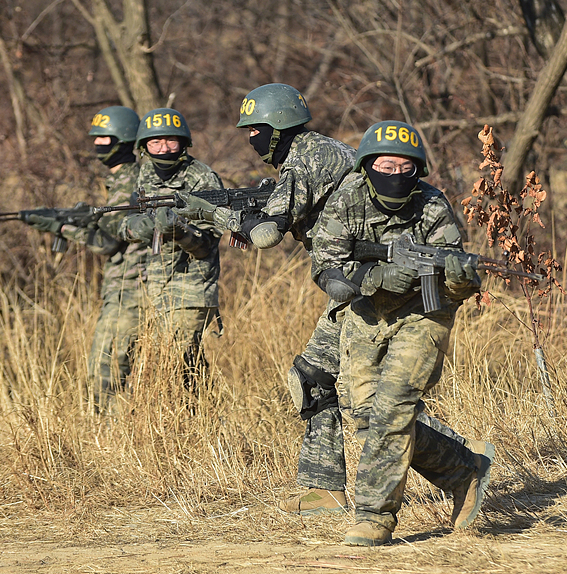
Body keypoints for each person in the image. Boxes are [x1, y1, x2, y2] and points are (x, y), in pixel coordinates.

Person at [174, 85, 490, 522]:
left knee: (370, 407)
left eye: (255, 130)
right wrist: (244, 209)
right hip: (352, 277)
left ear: (277, 127)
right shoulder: (309, 154)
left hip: (370, 283)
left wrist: (210, 213)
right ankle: (323, 490)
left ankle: (462, 466)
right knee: (315, 380)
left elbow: (267, 235)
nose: (250, 139)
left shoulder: (305, 157)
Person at [311, 120, 493, 546]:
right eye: (384, 165)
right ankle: (464, 468)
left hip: (423, 315)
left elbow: (453, 288)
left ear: (418, 171)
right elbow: (328, 271)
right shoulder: (347, 200)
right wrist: (375, 278)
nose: (394, 174)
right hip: (364, 314)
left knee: (394, 407)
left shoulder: (432, 208)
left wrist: (462, 280)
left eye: (404, 167)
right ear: (366, 165)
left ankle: (374, 516)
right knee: (366, 418)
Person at [25, 106, 150, 412]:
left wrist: (62, 228)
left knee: (105, 371)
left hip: (130, 289)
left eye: (105, 138)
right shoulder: (124, 180)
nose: (98, 145)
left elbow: (108, 244)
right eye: (96, 138)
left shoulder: (129, 181)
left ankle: (110, 437)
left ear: (123, 141)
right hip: (126, 287)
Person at [117, 108, 223, 388]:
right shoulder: (143, 176)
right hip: (156, 284)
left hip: (192, 285)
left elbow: (208, 243)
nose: (163, 148)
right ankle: (206, 419)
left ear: (184, 143)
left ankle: (197, 420)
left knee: (177, 364)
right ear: (143, 147)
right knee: (186, 366)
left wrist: (179, 233)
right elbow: (122, 223)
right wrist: (135, 228)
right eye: (155, 142)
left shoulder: (202, 178)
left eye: (171, 141)